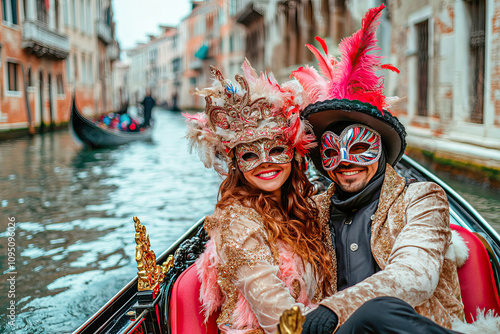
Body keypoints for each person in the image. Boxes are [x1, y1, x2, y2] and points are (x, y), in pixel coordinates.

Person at [289, 4, 486, 333]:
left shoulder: (422, 198)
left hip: (403, 326)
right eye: (332, 153)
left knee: (377, 312)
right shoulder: (314, 210)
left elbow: (414, 275)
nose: (346, 162)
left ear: (380, 151)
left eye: (360, 148)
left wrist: (337, 307)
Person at [184, 60, 336, 334]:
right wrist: (342, 320)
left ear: (294, 154)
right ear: (236, 165)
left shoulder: (303, 208)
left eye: (277, 150)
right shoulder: (236, 223)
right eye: (250, 155)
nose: (265, 163)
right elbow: (280, 319)